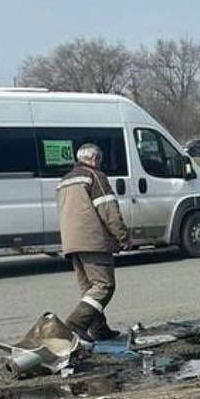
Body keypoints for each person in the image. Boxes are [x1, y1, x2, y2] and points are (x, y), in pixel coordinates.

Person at [57, 143, 132, 341]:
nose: (100, 164)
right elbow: (108, 210)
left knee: (89, 289)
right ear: (94, 159)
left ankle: (99, 329)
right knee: (104, 286)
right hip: (93, 240)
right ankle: (73, 326)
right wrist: (123, 237)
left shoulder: (64, 181)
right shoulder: (95, 176)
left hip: (71, 242)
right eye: (100, 160)